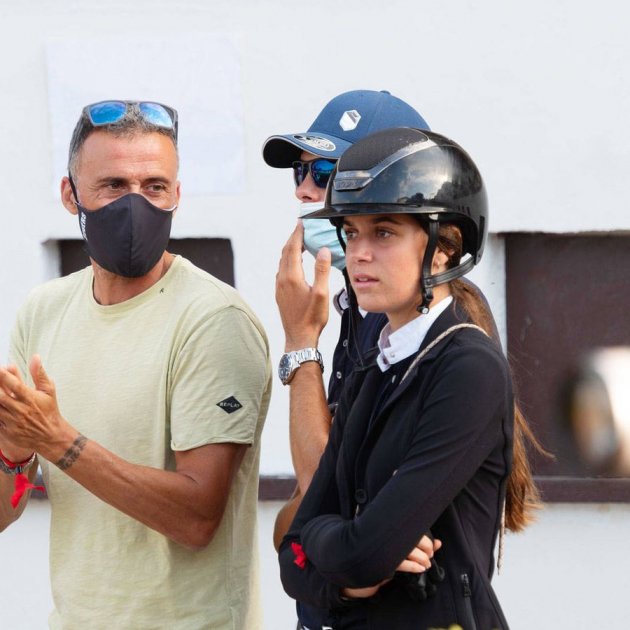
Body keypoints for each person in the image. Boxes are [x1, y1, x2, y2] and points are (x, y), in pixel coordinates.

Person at [0, 100, 271, 629]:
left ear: (177, 195)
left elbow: (196, 518)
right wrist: (13, 453)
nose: (135, 204)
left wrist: (57, 442)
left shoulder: (213, 320)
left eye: (154, 186)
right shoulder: (43, 310)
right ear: (69, 195)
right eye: (113, 185)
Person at [277, 127, 542, 628]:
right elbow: (293, 557)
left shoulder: (468, 368)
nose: (357, 253)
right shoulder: (375, 364)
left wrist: (330, 545)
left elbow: (360, 551)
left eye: (383, 232)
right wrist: (343, 558)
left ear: (443, 247)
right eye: (350, 232)